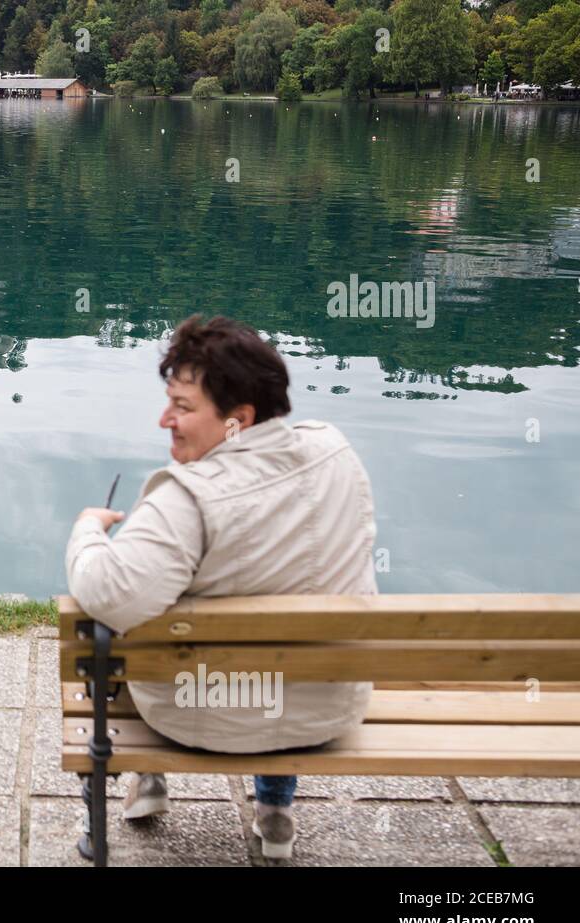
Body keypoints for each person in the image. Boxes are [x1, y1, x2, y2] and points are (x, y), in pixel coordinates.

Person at [65, 315, 378, 861]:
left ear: (239, 420)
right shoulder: (337, 451)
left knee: (125, 625)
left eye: (183, 407)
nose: (165, 419)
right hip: (326, 708)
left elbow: (105, 590)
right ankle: (275, 811)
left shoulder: (185, 499)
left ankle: (150, 776)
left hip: (204, 712)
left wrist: (89, 529)